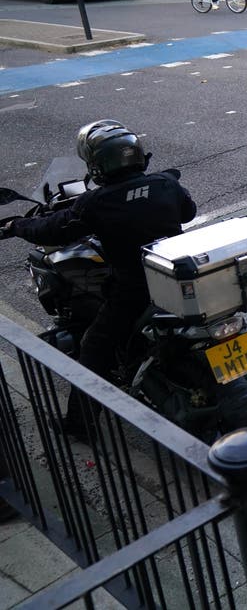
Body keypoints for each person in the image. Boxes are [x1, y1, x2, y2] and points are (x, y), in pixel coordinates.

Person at [0, 121, 196, 439]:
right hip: (176, 278)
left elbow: (52, 229)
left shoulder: (96, 203)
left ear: (97, 165)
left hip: (134, 291)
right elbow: (188, 212)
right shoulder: (164, 185)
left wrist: (16, 226)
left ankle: (80, 426)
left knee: (94, 348)